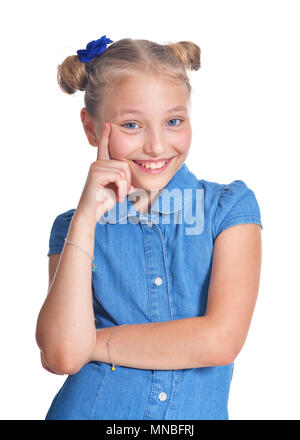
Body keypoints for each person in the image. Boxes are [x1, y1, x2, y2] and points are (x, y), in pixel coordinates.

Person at [35, 35, 263, 420]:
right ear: (92, 129)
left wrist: (90, 343)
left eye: (173, 121)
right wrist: (87, 218)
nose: (157, 146)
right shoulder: (72, 228)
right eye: (132, 125)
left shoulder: (228, 208)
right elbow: (61, 354)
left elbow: (220, 340)